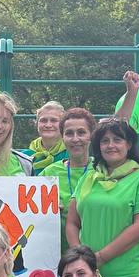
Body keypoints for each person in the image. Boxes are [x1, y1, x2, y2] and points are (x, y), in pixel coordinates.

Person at [66, 117, 139, 277]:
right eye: (105, 141)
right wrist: (79, 258)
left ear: (129, 144)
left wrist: (100, 258)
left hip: (130, 275)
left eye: (117, 140)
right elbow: (72, 222)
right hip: (88, 275)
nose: (110, 145)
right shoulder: (88, 177)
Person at [40, 107, 95, 251]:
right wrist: (45, 212)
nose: (75, 139)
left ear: (91, 136)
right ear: (62, 137)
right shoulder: (49, 174)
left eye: (81, 132)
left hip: (99, 253)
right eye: (69, 133)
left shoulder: (103, 170)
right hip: (56, 255)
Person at [29, 101, 68, 173]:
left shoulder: (71, 154)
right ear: (37, 124)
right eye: (43, 120)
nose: (48, 125)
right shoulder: (25, 156)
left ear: (63, 125)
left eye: (54, 120)